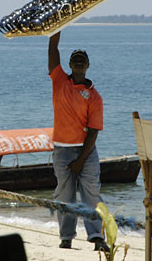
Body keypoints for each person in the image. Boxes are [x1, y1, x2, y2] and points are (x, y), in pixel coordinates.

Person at [48, 31, 110, 252]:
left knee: (91, 193)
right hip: (62, 150)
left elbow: (93, 132)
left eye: (82, 60)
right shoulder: (59, 81)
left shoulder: (94, 97)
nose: (79, 62)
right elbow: (53, 49)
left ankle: (96, 236)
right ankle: (66, 237)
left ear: (88, 66)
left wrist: (81, 160)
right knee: (64, 196)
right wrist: (56, 27)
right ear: (69, 64)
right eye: (75, 59)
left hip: (86, 151)